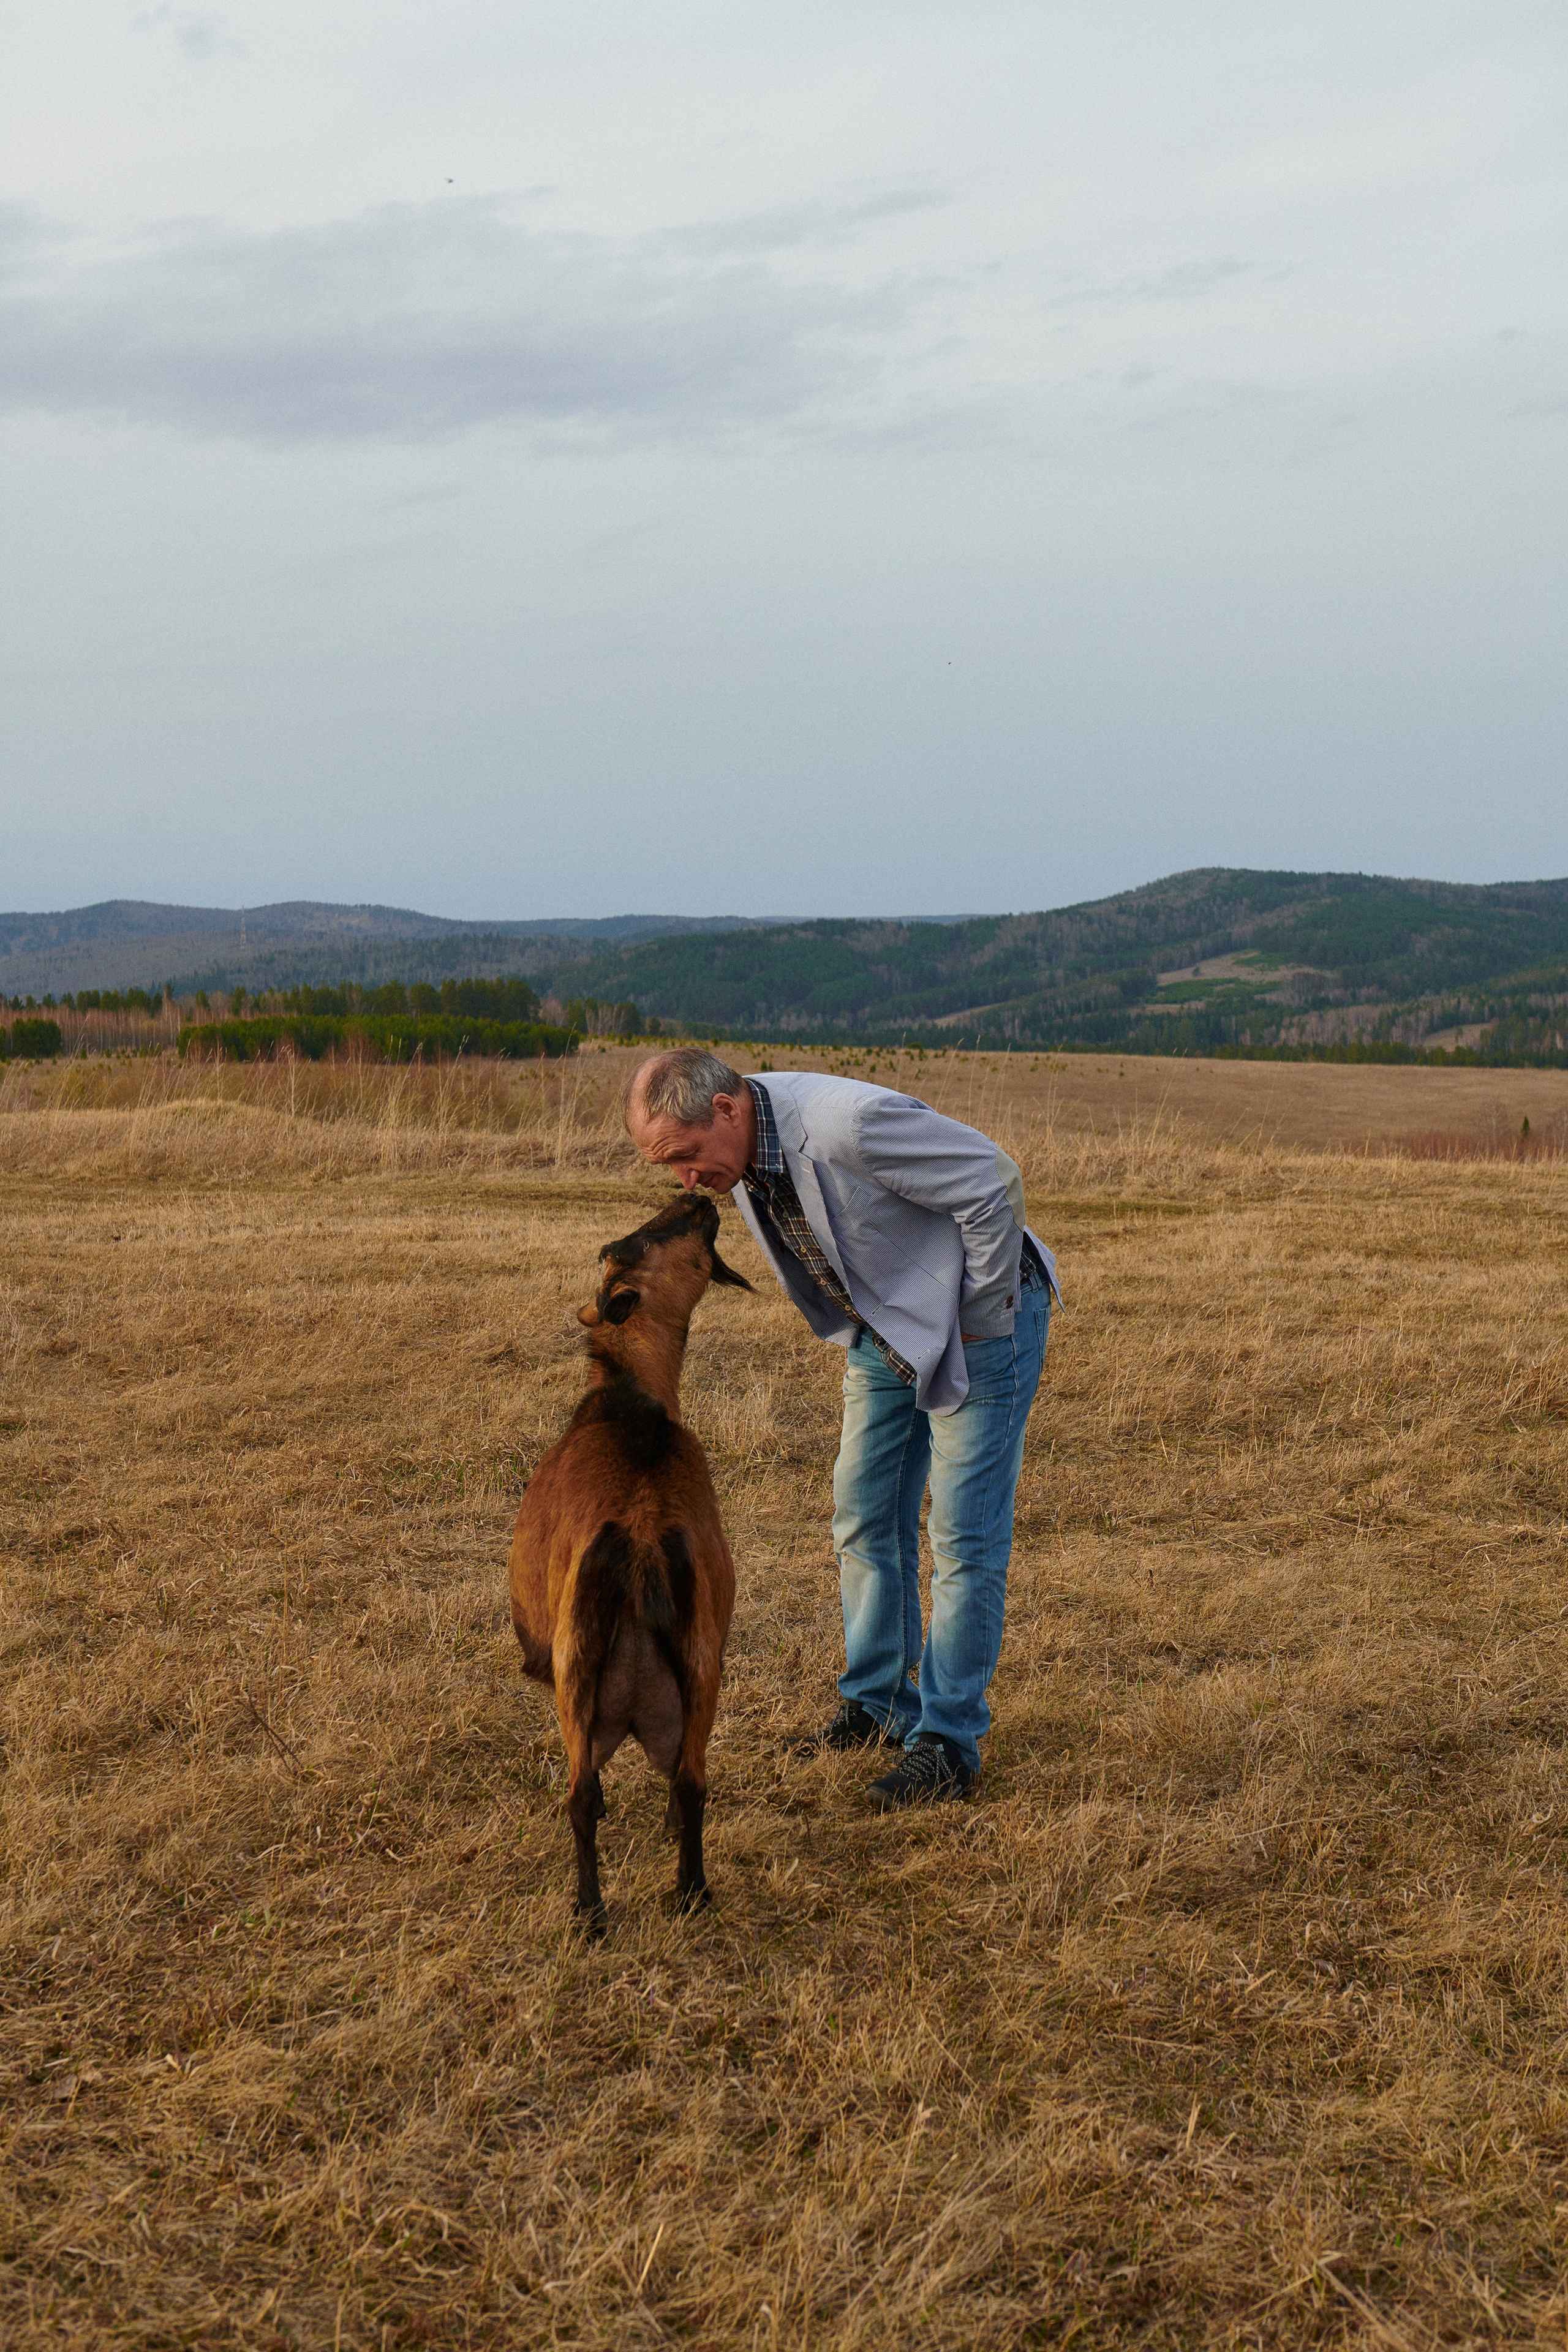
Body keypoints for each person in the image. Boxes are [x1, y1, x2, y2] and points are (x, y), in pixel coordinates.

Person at [623, 1047, 1056, 1811]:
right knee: (864, 1512)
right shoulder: (745, 1150)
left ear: (726, 1109)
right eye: (670, 1167)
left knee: (962, 1538)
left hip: (986, 1322)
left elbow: (993, 1183)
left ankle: (947, 1746)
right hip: (885, 1330)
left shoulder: (848, 1124)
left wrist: (985, 1320)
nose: (685, 1182)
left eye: (687, 1158)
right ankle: (881, 1705)